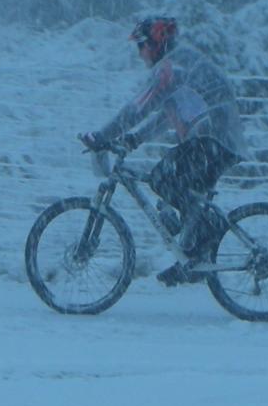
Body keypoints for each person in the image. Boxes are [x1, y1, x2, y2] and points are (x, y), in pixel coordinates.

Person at [81, 16, 249, 286]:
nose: (139, 53)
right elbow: (166, 113)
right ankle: (195, 256)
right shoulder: (182, 63)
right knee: (177, 184)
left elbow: (139, 108)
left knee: (163, 176)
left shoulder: (172, 67)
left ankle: (206, 238)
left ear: (156, 43)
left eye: (141, 46)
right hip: (220, 141)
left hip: (214, 140)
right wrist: (134, 139)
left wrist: (102, 136)